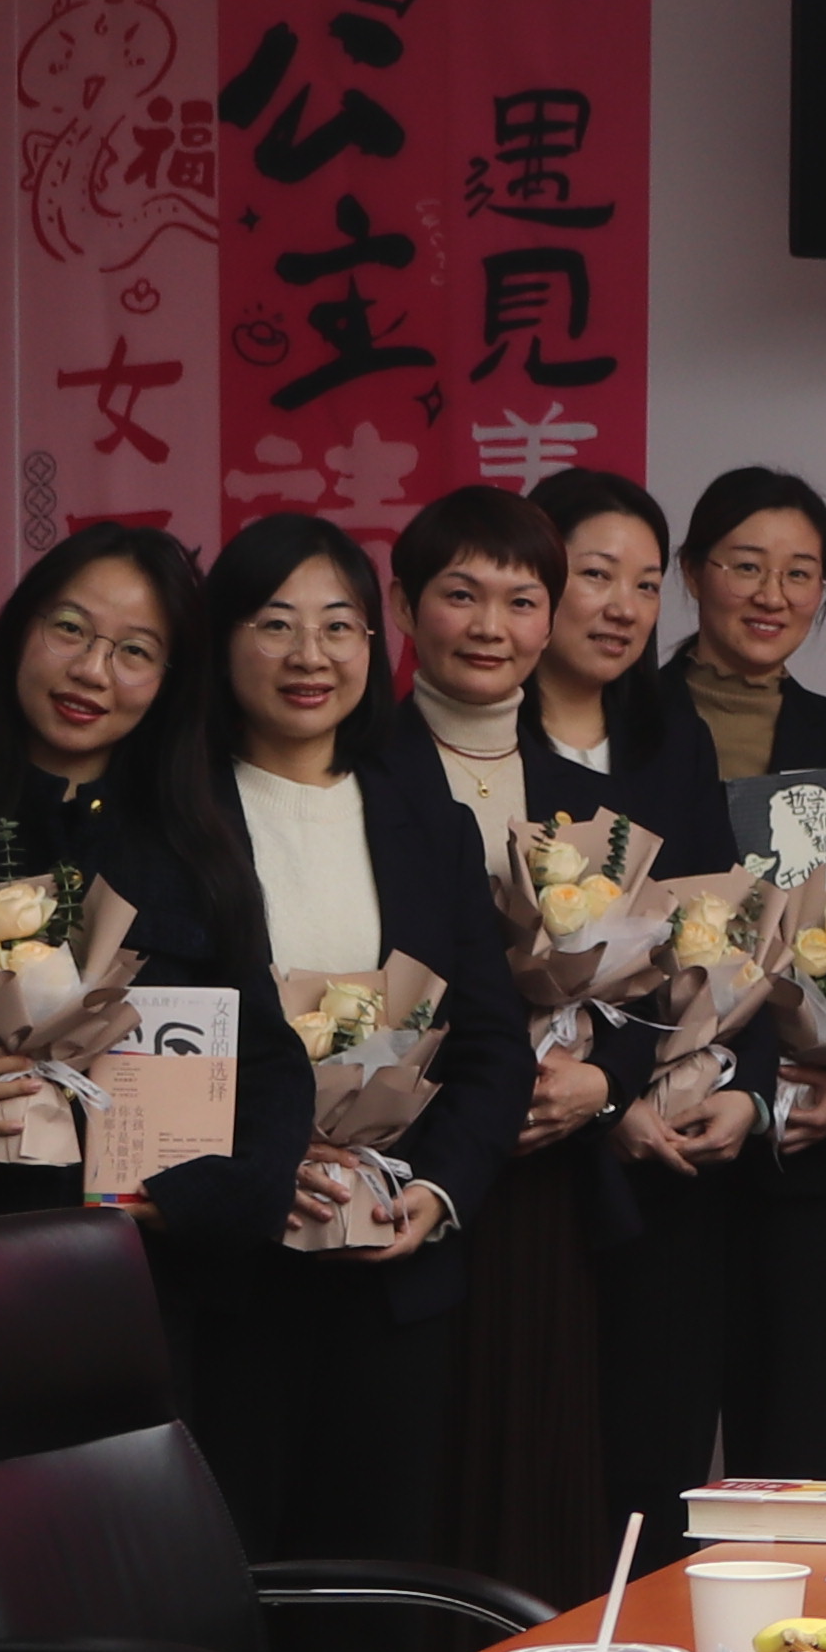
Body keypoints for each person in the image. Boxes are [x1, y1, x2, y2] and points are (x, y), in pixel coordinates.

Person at [162, 513, 534, 1564]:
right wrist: (249, 1174)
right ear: (223, 640)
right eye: (275, 623)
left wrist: (438, 1190)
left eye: (339, 625)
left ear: (375, 643)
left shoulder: (428, 823)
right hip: (227, 1283)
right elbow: (141, 1046)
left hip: (389, 1273)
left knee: (375, 1585)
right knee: (223, 1577)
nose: (309, 655)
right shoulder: (170, 822)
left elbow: (491, 1046)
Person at [383, 488, 647, 1599]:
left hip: (548, 1186)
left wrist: (603, 1079)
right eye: (461, 594)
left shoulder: (593, 802)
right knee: (417, 1486)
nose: (491, 626)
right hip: (404, 1174)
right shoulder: (357, 774)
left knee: (541, 1487)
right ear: (404, 606)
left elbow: (662, 987)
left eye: (521, 599)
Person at [524, 468, 754, 1558]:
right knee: (546, 1471)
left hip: (668, 1156)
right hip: (539, 1157)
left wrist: (739, 1085)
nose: (622, 606)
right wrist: (601, 1094)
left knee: (655, 1475)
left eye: (647, 583)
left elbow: (715, 933)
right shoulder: (483, 747)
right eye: (596, 574)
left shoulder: (674, 739)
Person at [0, 525, 214, 1232]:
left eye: (135, 652)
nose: (91, 671)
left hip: (141, 1264)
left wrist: (200, 1198)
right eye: (70, 629)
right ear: (20, 629)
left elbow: (261, 1057)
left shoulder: (196, 850)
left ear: (168, 681)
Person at [660, 470, 826, 1479]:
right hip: (656, 1145)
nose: (772, 595)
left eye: (800, 573)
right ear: (692, 573)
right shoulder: (631, 722)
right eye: (746, 566)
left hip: (806, 1145)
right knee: (655, 1442)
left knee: (800, 1451)